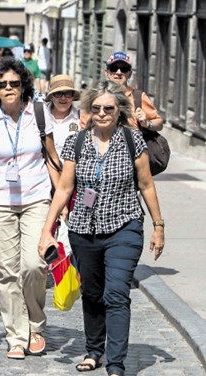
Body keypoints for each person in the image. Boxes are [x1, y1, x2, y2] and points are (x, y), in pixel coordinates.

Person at [38, 81, 164, 376]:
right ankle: (95, 350)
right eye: (96, 108)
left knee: (116, 293)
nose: (102, 113)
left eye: (108, 108)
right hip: (83, 229)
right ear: (89, 111)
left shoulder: (133, 140)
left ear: (119, 110)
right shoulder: (77, 141)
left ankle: (116, 363)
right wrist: (48, 229)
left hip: (124, 226)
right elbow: (65, 187)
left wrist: (159, 226)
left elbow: (146, 184)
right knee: (92, 293)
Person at [0, 58, 61, 360]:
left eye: (14, 83)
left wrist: (61, 201)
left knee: (34, 266)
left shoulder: (38, 113)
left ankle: (37, 325)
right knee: (7, 273)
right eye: (2, 84)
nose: (8, 88)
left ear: (23, 85)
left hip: (37, 199)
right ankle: (17, 336)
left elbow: (51, 158)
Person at [46, 74, 81, 156]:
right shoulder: (39, 115)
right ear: (51, 96)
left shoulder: (81, 118)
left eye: (68, 94)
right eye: (58, 93)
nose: (63, 98)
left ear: (73, 97)